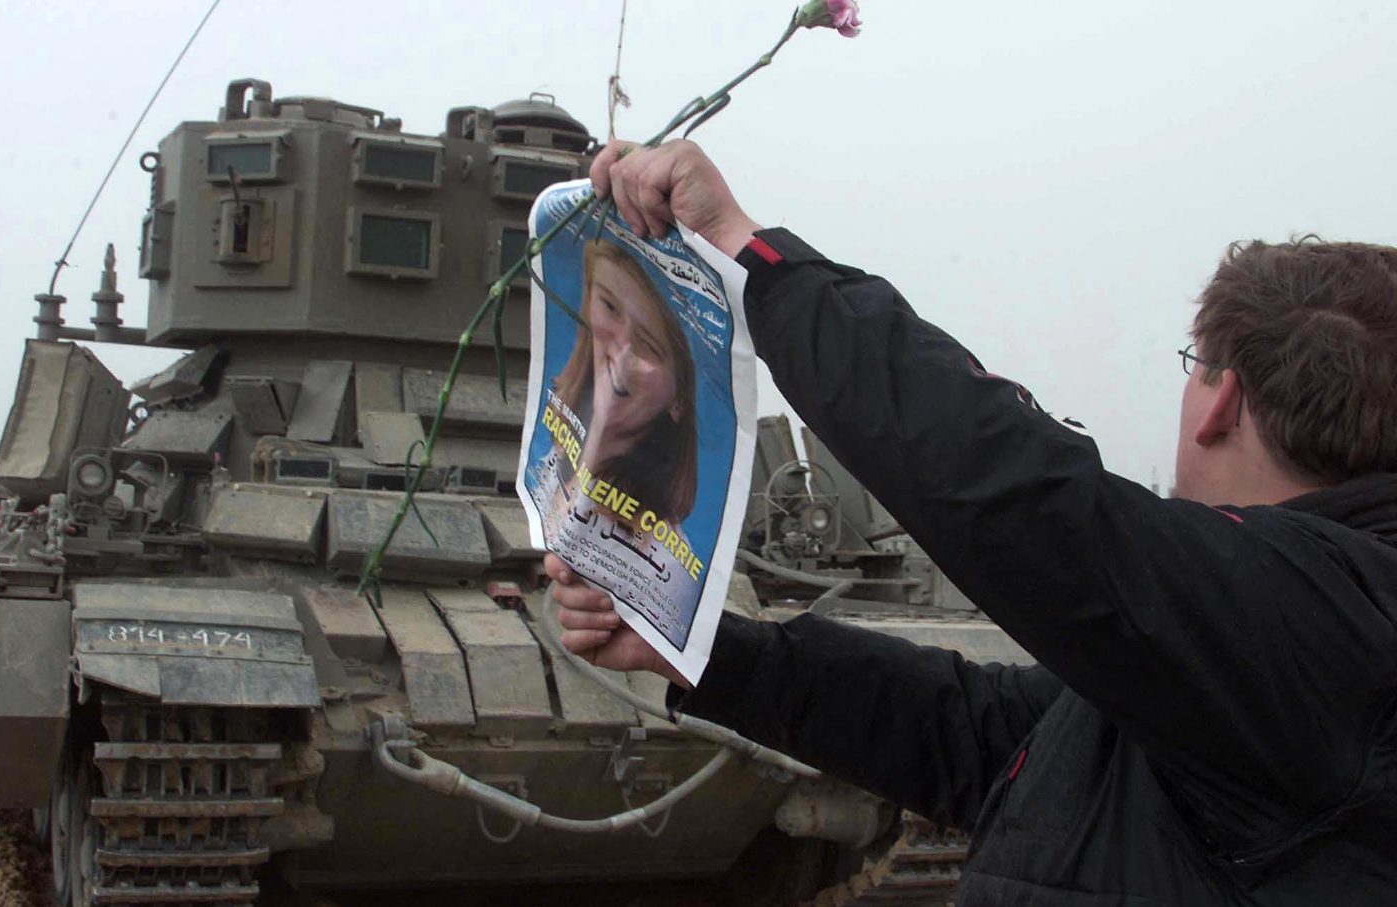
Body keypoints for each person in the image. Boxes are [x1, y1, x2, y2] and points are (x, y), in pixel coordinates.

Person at [546, 138, 1397, 905]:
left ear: (1222, 399)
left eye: (1192, 365)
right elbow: (982, 732)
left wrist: (749, 253)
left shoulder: (1333, 630)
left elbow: (1021, 498)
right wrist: (703, 652)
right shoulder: (1277, 653)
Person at [535, 237, 702, 641]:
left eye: (649, 348)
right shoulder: (552, 459)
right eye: (608, 306)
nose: (619, 356)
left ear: (678, 400)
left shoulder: (658, 554)